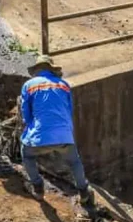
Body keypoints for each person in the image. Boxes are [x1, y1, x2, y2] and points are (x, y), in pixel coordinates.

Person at [19, 55, 93, 206]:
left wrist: (28, 126)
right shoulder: (64, 85)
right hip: (64, 136)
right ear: (52, 70)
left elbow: (25, 112)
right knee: (74, 162)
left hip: (39, 136)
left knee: (27, 155)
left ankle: (38, 188)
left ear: (37, 70)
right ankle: (84, 192)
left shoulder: (29, 85)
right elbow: (68, 110)